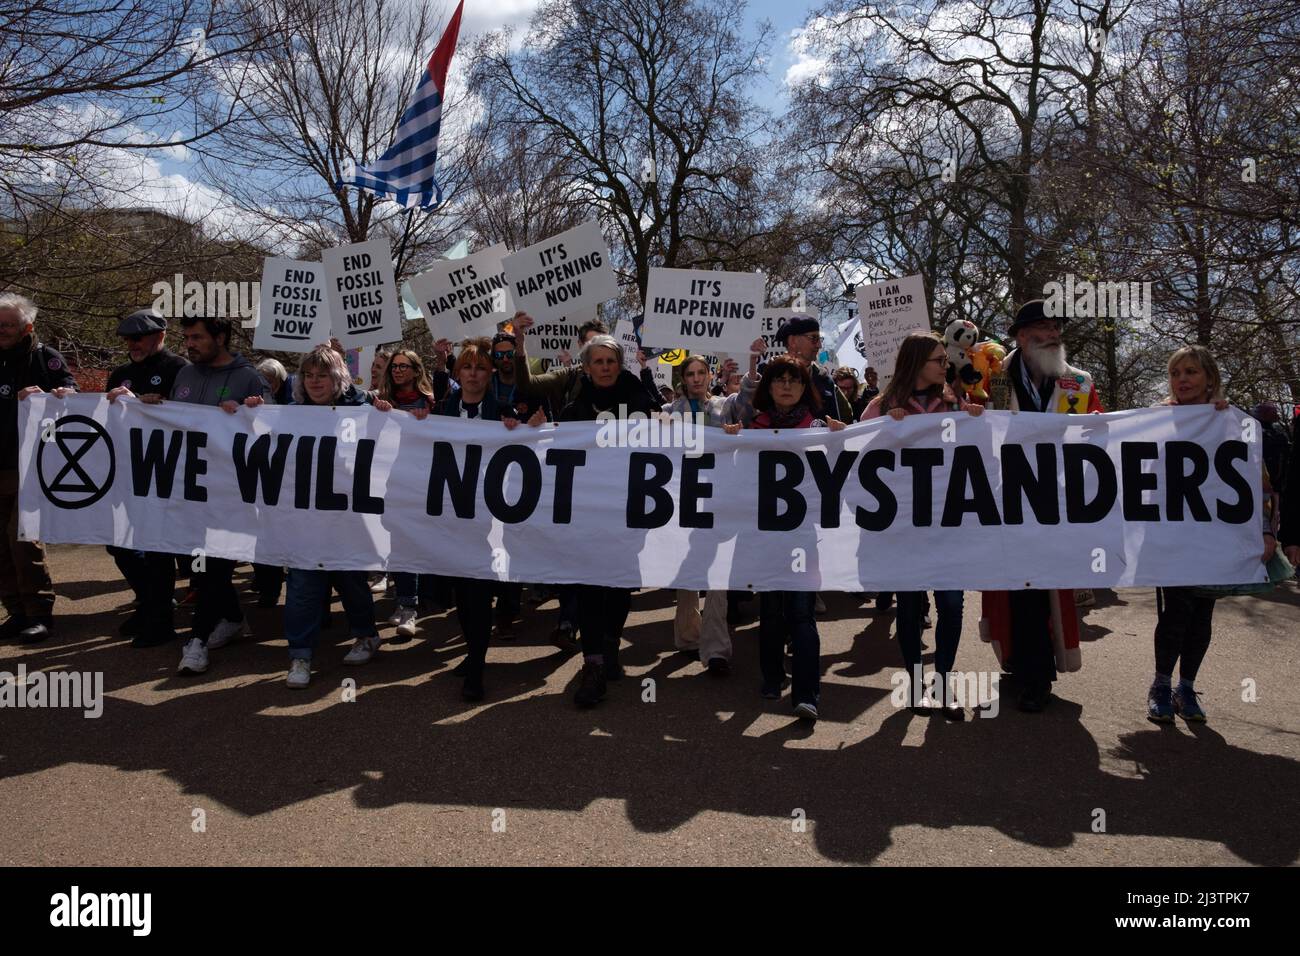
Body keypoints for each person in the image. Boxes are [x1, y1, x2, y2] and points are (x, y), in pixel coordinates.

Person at [110, 314, 272, 674]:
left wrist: (251, 414)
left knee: (213, 564)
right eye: (187, 337)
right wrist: (152, 405)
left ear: (221, 337)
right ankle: (231, 618)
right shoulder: (184, 374)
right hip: (188, 490)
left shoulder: (249, 378)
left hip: (229, 495)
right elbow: (175, 425)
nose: (190, 344)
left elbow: (274, 433)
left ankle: (196, 641)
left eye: (197, 337)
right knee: (203, 564)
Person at [980, 299, 1102, 712]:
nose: (1051, 335)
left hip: (1057, 503)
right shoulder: (991, 376)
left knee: (1044, 588)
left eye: (1055, 329)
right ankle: (1024, 663)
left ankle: (1039, 675)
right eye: (1042, 329)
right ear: (1020, 336)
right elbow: (973, 427)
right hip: (1006, 501)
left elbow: (1101, 433)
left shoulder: (1080, 383)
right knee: (1017, 589)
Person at [1146, 346, 1275, 723]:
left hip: (1215, 532)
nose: (1182, 380)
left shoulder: (1231, 420)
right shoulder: (1155, 419)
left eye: (1190, 372)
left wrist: (1265, 531)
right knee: (1178, 608)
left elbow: (1256, 481)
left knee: (1202, 611)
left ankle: (1186, 687)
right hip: (1171, 532)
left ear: (1209, 379)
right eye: (1175, 373)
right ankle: (1160, 685)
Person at [243, 345, 384, 687]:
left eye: (324, 375)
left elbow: (388, 446)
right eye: (309, 375)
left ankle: (366, 635)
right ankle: (300, 656)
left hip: (347, 519)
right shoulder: (290, 413)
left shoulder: (362, 408)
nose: (315, 382)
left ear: (338, 379)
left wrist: (387, 414)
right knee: (302, 588)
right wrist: (246, 414)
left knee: (352, 584)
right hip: (306, 521)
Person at [862, 333, 982, 720]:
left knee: (950, 602)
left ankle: (944, 683)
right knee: (910, 604)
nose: (944, 365)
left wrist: (977, 419)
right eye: (937, 359)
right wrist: (883, 430)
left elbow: (979, 449)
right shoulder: (882, 407)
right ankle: (915, 685)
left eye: (946, 358)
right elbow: (852, 455)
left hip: (949, 521)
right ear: (916, 362)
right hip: (903, 526)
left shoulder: (955, 403)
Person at [435, 337, 545, 701]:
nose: (473, 374)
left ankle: (477, 666)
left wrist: (533, 429)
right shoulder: (440, 413)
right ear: (457, 372)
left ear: (490, 373)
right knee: (464, 596)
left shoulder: (503, 413)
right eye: (466, 367)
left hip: (492, 522)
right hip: (454, 521)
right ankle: (472, 651)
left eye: (480, 368)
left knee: (479, 593)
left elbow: (531, 453)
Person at [559, 333, 656, 707]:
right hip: (587, 515)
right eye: (597, 362)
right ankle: (593, 664)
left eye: (610, 361)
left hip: (629, 512)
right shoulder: (573, 410)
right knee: (589, 589)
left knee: (617, 588)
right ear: (586, 367)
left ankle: (611, 643)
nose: (604, 367)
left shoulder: (642, 402)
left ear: (620, 365)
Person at [746, 355, 845, 721]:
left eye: (795, 380)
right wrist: (727, 441)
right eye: (779, 379)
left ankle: (807, 694)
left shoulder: (819, 427)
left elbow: (841, 475)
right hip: (765, 536)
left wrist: (838, 440)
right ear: (768, 387)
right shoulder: (752, 428)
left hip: (804, 537)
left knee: (801, 615)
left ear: (805, 388)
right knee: (771, 612)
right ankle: (772, 678)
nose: (787, 386)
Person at [664, 342, 765, 673]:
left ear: (710, 375)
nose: (696, 379)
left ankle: (716, 649)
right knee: (689, 574)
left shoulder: (726, 406)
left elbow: (750, 401)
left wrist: (752, 361)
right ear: (683, 379)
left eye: (700, 373)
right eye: (689, 374)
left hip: (719, 500)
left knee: (717, 575)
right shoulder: (669, 413)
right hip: (683, 501)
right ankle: (687, 637)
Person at [104, 308, 190, 644]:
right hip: (128, 471)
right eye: (127, 338)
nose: (132, 344)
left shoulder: (179, 368)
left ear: (160, 336)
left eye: (138, 337)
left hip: (165, 472)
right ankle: (153, 601)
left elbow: (190, 414)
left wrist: (162, 404)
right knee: (119, 544)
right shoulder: (120, 373)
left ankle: (159, 621)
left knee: (156, 548)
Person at [1, 292, 77, 643]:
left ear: (27, 326)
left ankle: (39, 612)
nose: (1, 331)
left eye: (8, 325)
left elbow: (73, 397)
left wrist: (57, 395)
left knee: (23, 539)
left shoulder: (45, 359)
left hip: (31, 466)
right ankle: (15, 611)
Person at [376, 348, 440, 637]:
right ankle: (406, 605)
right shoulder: (380, 401)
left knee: (418, 542)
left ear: (416, 370)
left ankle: (416, 603)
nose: (398, 371)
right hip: (392, 481)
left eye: (404, 366)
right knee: (400, 542)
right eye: (394, 367)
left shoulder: (431, 403)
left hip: (425, 482)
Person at [775, 315, 853, 422]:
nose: (819, 345)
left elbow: (844, 417)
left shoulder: (825, 380)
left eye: (819, 339)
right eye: (814, 339)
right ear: (793, 341)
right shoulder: (770, 375)